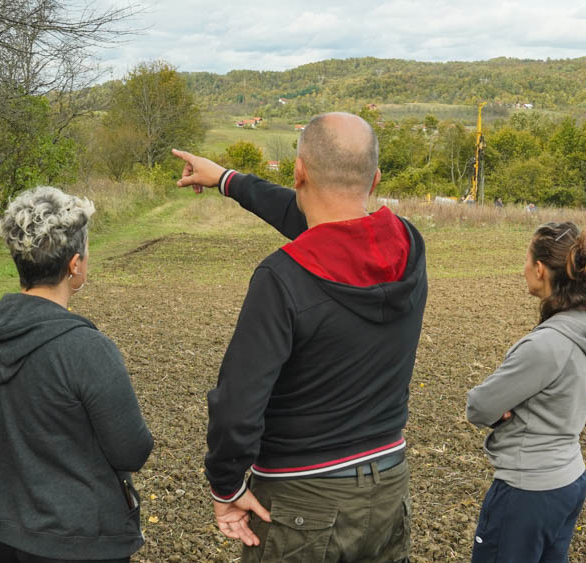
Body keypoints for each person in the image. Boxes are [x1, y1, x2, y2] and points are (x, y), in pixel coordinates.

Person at [172, 111, 427, 563]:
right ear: (375, 179)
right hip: (390, 489)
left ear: (299, 172)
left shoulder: (282, 277)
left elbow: (237, 405)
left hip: (302, 501)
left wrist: (226, 486)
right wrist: (227, 180)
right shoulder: (408, 245)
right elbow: (329, 230)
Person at [0, 186, 154, 563]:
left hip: (5, 533)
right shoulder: (87, 349)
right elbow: (132, 449)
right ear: (75, 264)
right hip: (80, 541)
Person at [466, 222, 586, 563]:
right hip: (569, 480)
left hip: (528, 490)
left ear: (540, 269)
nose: (523, 269)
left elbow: (479, 406)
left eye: (526, 259)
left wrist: (505, 407)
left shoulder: (545, 345)